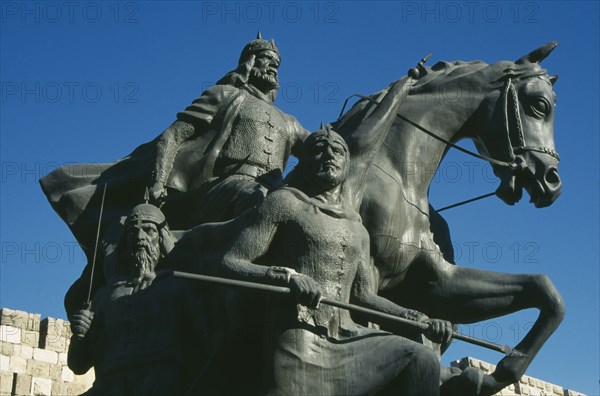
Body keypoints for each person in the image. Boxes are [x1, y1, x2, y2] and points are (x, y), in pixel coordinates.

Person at [218, 115, 455, 393]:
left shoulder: (357, 226)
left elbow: (363, 296)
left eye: (337, 150)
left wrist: (418, 319)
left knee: (422, 358)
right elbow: (230, 262)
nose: (328, 154)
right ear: (303, 163)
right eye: (318, 149)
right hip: (300, 337)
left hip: (348, 337)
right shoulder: (283, 203)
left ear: (347, 163)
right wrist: (287, 277)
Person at [148, 32, 309, 225]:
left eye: (277, 63)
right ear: (250, 61)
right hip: (224, 187)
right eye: (267, 58)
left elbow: (320, 145)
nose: (274, 65)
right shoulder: (224, 95)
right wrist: (158, 180)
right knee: (263, 201)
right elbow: (173, 135)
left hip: (275, 189)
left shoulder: (288, 121)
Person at [67, 202, 216, 395]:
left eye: (149, 230)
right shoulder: (104, 296)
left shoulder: (179, 286)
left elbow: (209, 343)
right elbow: (78, 365)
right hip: (109, 385)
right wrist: (80, 336)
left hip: (161, 383)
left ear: (161, 238)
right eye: (132, 232)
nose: (139, 238)